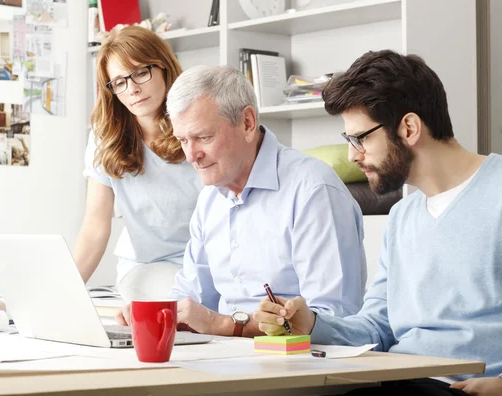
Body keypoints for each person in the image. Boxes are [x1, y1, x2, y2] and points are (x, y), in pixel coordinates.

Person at [254, 50, 502, 396]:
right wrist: (308, 322)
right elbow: (376, 327)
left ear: (409, 128)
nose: (353, 155)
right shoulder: (402, 216)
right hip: (401, 380)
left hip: (461, 387)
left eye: (362, 138)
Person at [116, 65, 367, 337]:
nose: (190, 156)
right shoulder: (210, 199)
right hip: (225, 360)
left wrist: (226, 325)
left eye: (203, 137)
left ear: (247, 123)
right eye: (182, 140)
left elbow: (335, 324)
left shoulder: (313, 190)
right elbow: (190, 298)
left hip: (299, 367)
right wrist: (153, 314)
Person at [74, 26, 203, 301]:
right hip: (147, 268)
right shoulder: (105, 138)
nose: (132, 89)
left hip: (208, 262)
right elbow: (95, 227)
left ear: (164, 68)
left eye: (141, 72)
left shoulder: (198, 124)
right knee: (183, 296)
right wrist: (66, 291)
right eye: (120, 82)